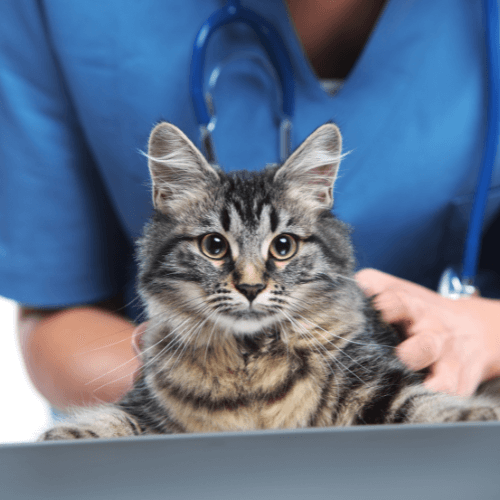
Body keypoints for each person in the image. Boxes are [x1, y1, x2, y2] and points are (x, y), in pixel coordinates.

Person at [1, 0, 500, 412]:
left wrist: (485, 330)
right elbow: (54, 312)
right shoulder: (62, 13)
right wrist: (203, 399)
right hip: (179, 460)